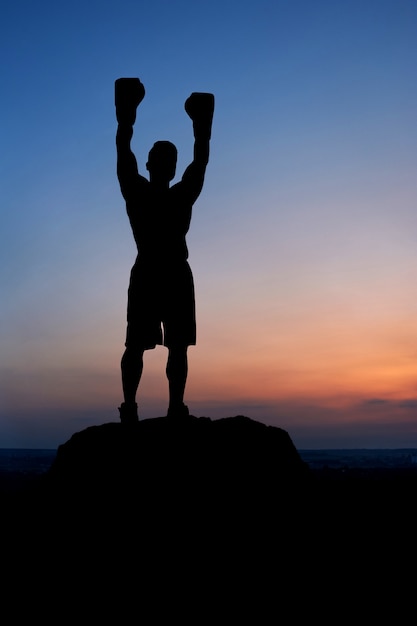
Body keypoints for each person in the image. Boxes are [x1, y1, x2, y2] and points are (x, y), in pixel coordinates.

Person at [115, 78, 214, 423]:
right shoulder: (159, 194)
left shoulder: (147, 193)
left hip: (163, 271)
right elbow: (200, 162)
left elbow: (124, 152)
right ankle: (145, 406)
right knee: (150, 345)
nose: (167, 164)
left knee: (169, 345)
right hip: (161, 271)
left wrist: (127, 114)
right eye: (165, 159)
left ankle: (158, 407)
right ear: (162, 166)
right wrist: (201, 124)